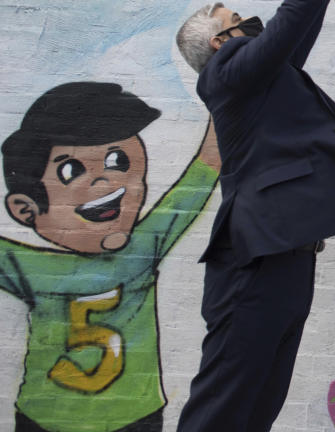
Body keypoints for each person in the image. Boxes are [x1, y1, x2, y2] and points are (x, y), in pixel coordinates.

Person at [174, 0, 335, 432]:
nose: (250, 25)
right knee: (222, 410)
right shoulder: (223, 74)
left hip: (286, 257)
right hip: (253, 263)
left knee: (258, 407)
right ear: (219, 44)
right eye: (237, 22)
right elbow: (288, 21)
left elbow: (299, 23)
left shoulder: (259, 76)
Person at [1, 81, 220, 432]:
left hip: (133, 417)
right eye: (71, 171)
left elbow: (205, 167)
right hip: (50, 419)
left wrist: (224, 84)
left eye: (118, 161)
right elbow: (205, 169)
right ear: (26, 210)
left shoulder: (143, 247)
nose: (104, 179)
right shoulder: (27, 265)